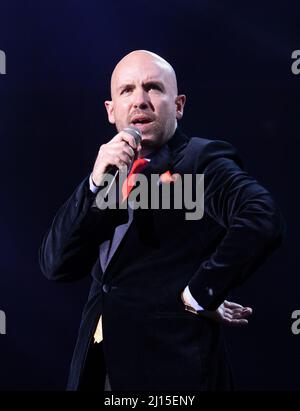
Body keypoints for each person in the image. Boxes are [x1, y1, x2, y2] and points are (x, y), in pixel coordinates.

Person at [39, 50, 284, 391]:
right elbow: (56, 265)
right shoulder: (107, 173)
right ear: (111, 110)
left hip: (171, 375)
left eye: (152, 87)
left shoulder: (202, 160)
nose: (139, 100)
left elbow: (261, 216)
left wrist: (199, 293)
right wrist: (93, 183)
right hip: (97, 370)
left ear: (179, 105)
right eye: (127, 90)